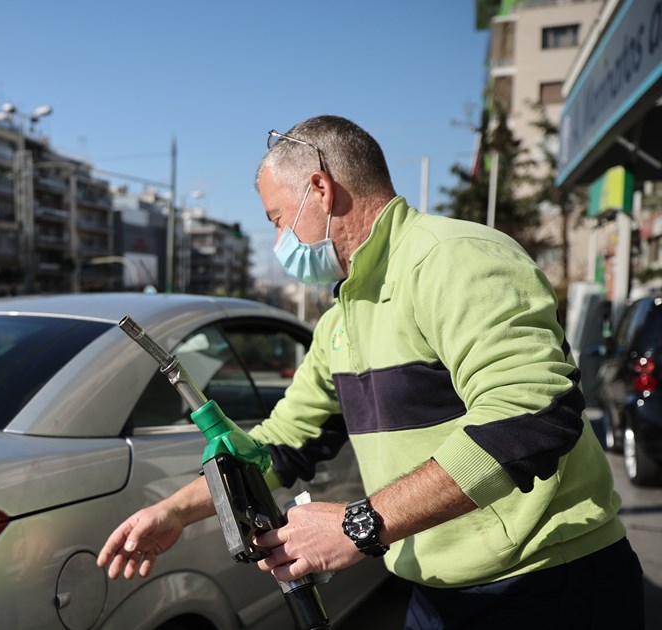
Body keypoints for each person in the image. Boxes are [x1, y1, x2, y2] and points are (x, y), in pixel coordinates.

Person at [97, 115, 644, 629]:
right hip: (435, 592)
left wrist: (358, 525)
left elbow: (531, 415)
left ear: (320, 189)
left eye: (277, 219)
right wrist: (174, 511)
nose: (279, 239)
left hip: (546, 586)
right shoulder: (345, 314)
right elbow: (283, 445)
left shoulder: (455, 259)